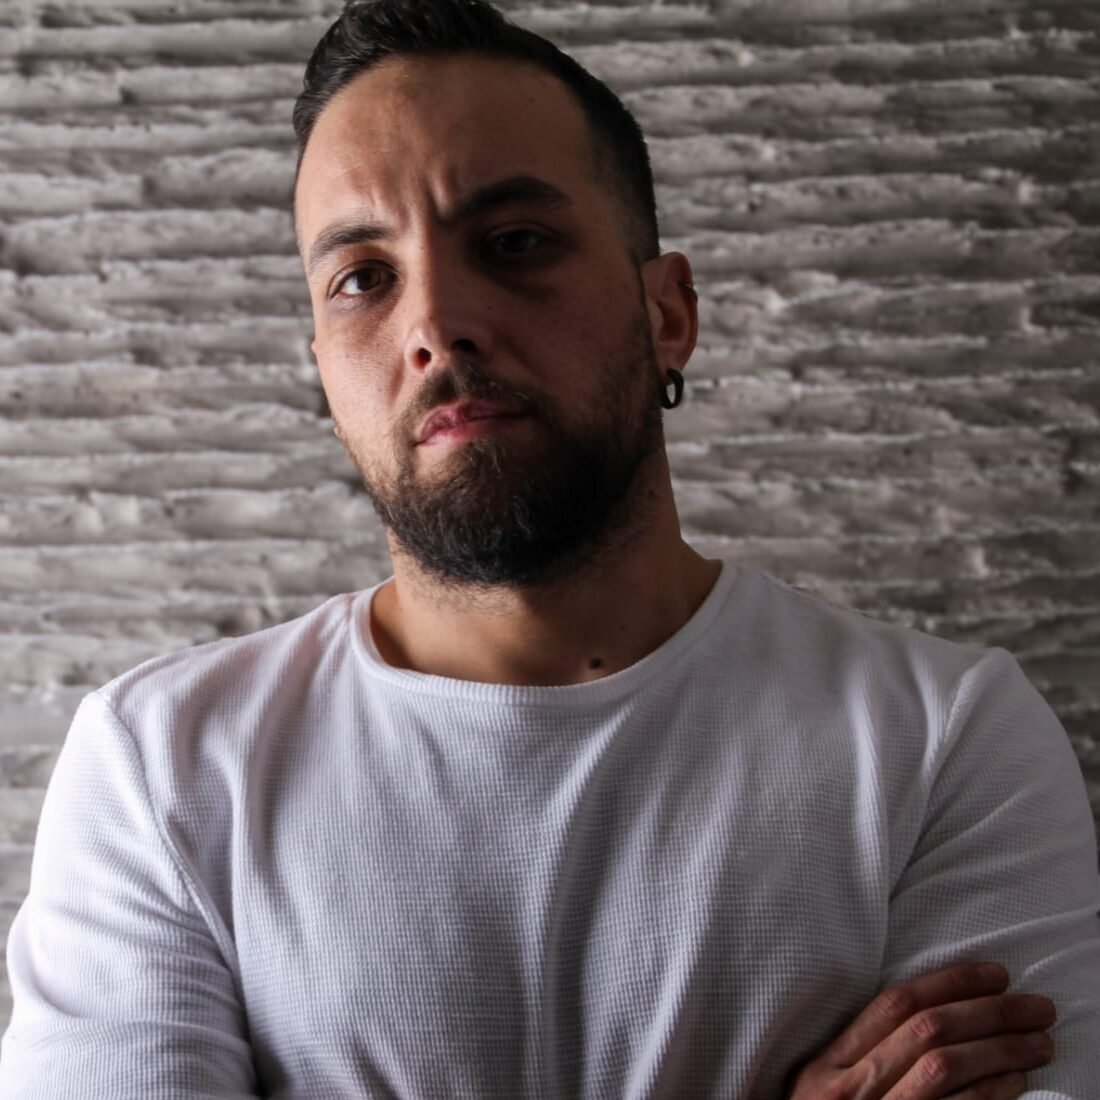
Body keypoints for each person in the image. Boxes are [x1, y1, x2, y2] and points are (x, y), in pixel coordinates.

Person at [1, 1, 1097, 1096]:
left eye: (514, 243)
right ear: (322, 367)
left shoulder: (943, 738)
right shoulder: (162, 770)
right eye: (363, 278)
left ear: (667, 315)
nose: (436, 322)